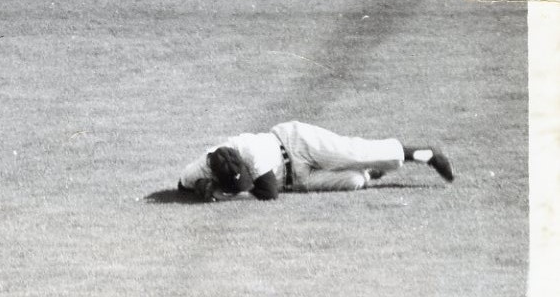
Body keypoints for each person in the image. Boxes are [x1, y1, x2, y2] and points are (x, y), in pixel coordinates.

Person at [178, 119, 454, 201]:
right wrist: (196, 190)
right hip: (296, 179)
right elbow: (181, 185)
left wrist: (226, 196)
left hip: (296, 143)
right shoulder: (198, 169)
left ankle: (423, 154)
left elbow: (268, 192)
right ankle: (372, 173)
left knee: (354, 153)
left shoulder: (249, 151)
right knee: (354, 180)